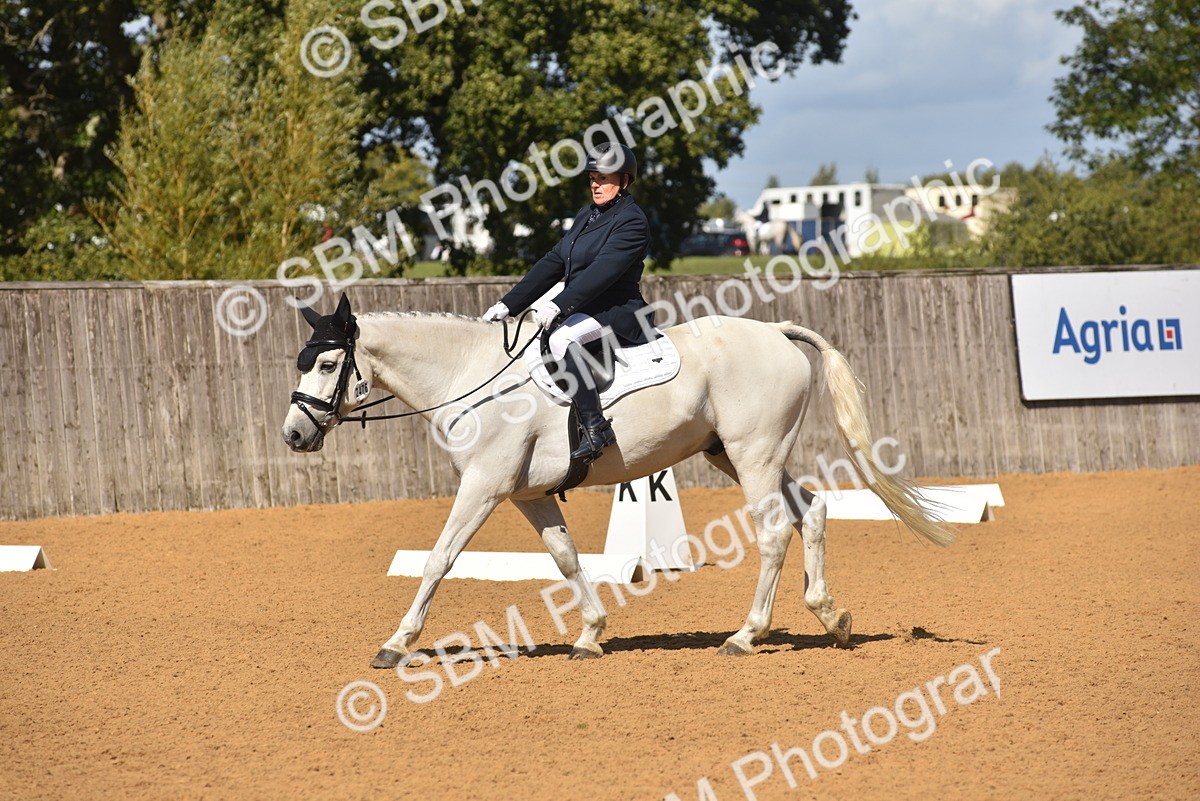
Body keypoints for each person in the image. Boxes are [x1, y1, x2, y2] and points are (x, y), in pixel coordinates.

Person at [482, 142, 653, 461]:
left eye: (603, 178)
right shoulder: (587, 215)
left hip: (617, 311)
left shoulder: (632, 221)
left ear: (624, 180)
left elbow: (603, 272)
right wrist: (508, 305)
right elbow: (555, 261)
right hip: (588, 308)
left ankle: (596, 428)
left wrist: (559, 304)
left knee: (562, 338)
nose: (595, 185)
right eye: (592, 178)